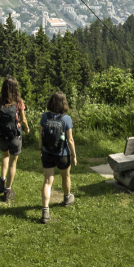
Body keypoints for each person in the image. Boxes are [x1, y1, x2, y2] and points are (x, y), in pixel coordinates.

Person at [0, 76, 30, 202]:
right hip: (15, 137)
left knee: (5, 156)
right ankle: (7, 191)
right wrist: (27, 128)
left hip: (2, 136)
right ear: (15, 88)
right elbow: (23, 119)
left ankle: (2, 181)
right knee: (13, 163)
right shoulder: (19, 101)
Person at [39, 90, 77, 223]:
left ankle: (45, 211)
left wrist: (41, 149)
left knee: (48, 181)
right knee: (65, 176)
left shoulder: (45, 116)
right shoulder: (66, 119)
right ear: (64, 104)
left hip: (47, 153)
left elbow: (40, 135)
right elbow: (70, 140)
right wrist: (74, 155)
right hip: (63, 154)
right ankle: (67, 198)